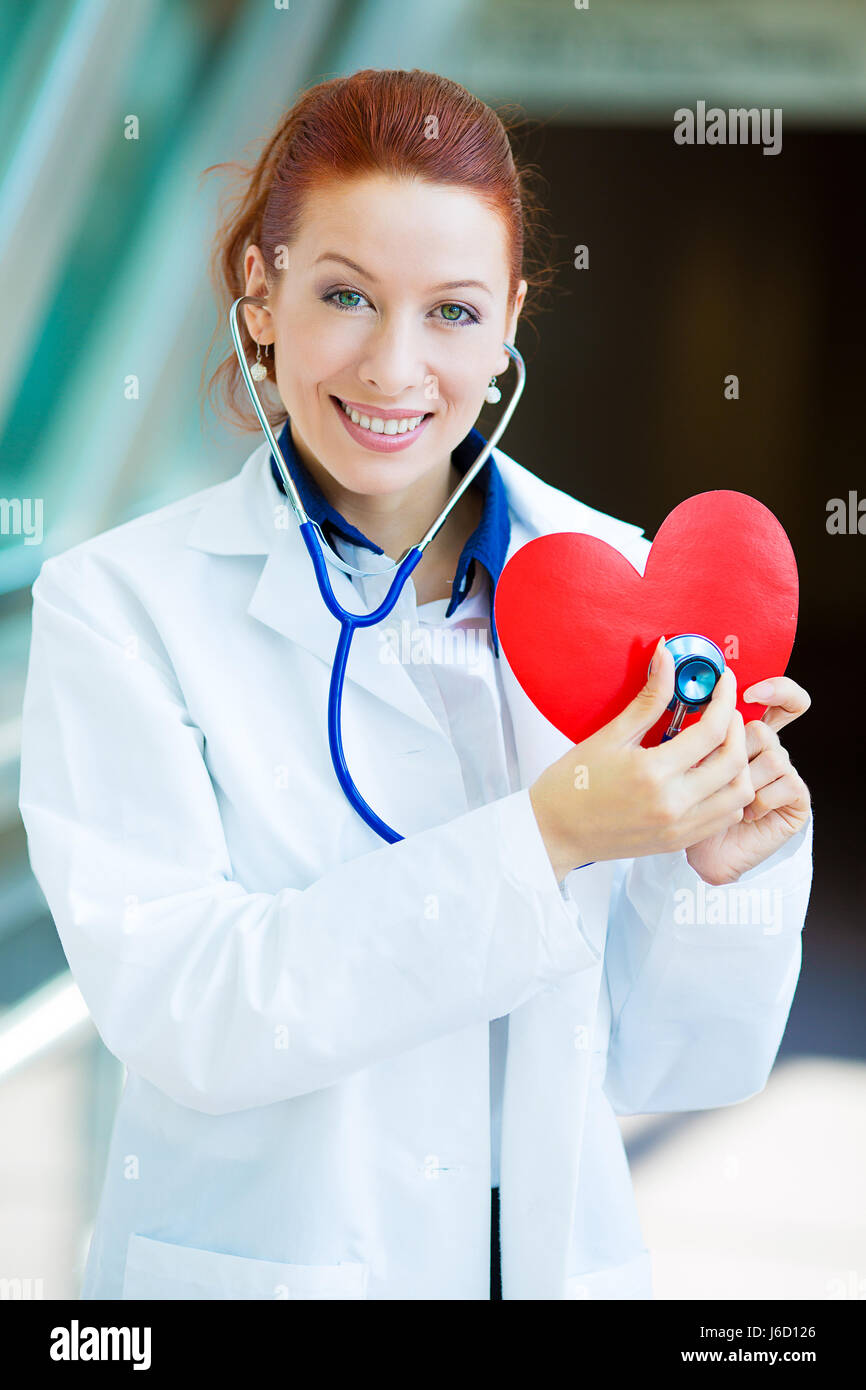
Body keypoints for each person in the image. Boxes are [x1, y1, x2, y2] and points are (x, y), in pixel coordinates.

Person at [18, 68, 813, 1302]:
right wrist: (547, 838)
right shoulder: (120, 607)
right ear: (260, 292)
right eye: (344, 294)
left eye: (451, 311)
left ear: (509, 325)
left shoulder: (638, 590)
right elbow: (191, 1014)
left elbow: (678, 1067)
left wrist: (719, 878)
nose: (395, 368)